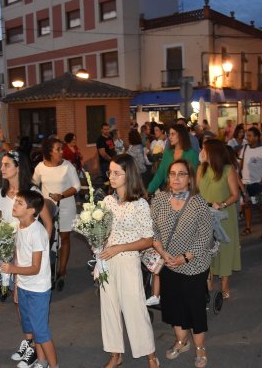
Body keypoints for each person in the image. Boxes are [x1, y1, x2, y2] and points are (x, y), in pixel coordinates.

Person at [98, 154, 159, 368]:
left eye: (117, 173)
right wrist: (97, 242)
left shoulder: (139, 204)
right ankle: (116, 354)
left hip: (127, 260)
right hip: (107, 261)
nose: (111, 177)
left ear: (129, 175)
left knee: (135, 309)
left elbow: (148, 239)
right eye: (110, 172)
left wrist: (120, 247)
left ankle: (151, 355)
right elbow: (101, 232)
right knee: (109, 309)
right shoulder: (106, 201)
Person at [152, 159, 213, 368]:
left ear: (190, 178)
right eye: (172, 174)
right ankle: (181, 341)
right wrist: (162, 252)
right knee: (174, 306)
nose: (176, 178)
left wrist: (185, 257)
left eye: (181, 174)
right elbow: (153, 230)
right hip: (168, 263)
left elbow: (205, 237)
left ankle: (200, 348)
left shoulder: (198, 202)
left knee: (194, 307)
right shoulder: (159, 199)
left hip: (194, 265)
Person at [0, 151, 53, 367]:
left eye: (6, 164)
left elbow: (48, 223)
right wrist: (0, 251)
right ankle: (28, 342)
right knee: (19, 301)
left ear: (18, 167)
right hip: (12, 253)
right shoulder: (1, 194)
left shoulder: (32, 193)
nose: (2, 168)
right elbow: (0, 225)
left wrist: (41, 252)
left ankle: (36, 349)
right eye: (2, 164)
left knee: (31, 302)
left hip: (31, 254)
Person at [1, 190, 59, 368]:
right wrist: (17, 285)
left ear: (32, 210)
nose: (14, 205)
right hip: (25, 286)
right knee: (33, 329)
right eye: (15, 201)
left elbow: (35, 268)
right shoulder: (20, 226)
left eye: (19, 203)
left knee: (41, 331)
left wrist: (12, 269)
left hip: (38, 289)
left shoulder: (37, 232)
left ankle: (54, 365)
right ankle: (41, 362)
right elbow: (19, 256)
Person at [32, 138, 80, 291]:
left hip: (66, 206)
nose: (61, 152)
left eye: (61, 149)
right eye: (58, 149)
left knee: (64, 238)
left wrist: (62, 195)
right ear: (49, 152)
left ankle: (62, 271)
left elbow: (76, 186)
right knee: (49, 239)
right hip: (47, 209)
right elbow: (33, 185)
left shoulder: (68, 166)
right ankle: (48, 270)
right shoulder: (40, 167)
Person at [198, 139, 241, 299]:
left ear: (213, 152)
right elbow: (196, 191)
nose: (201, 151)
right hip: (204, 213)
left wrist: (222, 204)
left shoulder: (228, 169)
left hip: (223, 215)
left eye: (204, 149)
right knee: (206, 247)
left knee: (224, 247)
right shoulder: (201, 168)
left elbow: (235, 195)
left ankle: (224, 282)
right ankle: (209, 279)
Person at [148, 123, 199, 194]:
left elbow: (194, 177)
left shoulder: (191, 154)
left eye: (173, 134)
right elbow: (160, 174)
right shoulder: (168, 153)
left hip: (186, 192)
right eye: (169, 134)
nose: (170, 137)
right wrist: (149, 190)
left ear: (181, 135)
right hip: (169, 190)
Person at [239, 127, 262, 237]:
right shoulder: (245, 148)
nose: (247, 138)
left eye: (250, 136)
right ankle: (248, 227)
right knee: (247, 206)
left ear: (256, 137)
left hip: (258, 184)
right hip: (246, 183)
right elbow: (241, 164)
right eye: (247, 135)